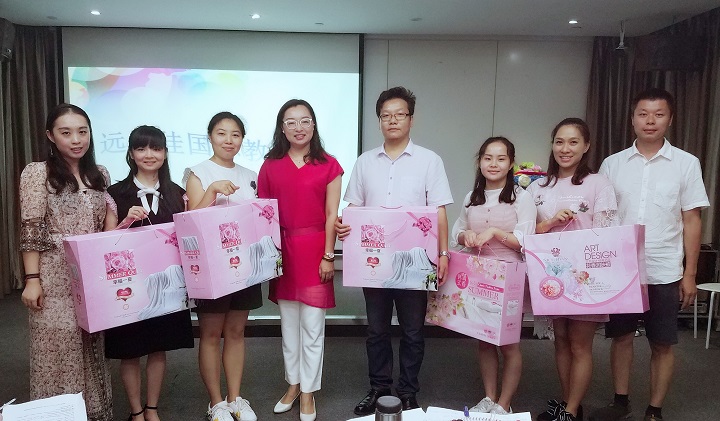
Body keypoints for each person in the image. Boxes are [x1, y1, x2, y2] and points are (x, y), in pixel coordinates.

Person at [590, 88, 709, 421]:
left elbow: (692, 220)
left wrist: (690, 274)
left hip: (664, 268)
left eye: (658, 114)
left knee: (662, 342)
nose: (650, 121)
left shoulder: (686, 163)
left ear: (670, 119)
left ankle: (654, 409)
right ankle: (620, 401)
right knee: (621, 338)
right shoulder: (612, 164)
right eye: (643, 114)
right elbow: (602, 218)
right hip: (622, 269)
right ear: (632, 119)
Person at [336, 86, 453, 415]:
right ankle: (379, 389)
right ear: (379, 121)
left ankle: (409, 392)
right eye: (386, 115)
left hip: (415, 262)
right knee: (376, 330)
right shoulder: (364, 162)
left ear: (411, 119)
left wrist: (443, 254)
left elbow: (439, 212)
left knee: (413, 331)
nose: (392, 120)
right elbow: (353, 208)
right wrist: (344, 224)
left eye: (399, 114)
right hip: (374, 261)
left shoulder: (430, 161)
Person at [19, 103, 114, 421]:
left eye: (82, 131)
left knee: (91, 342)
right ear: (51, 136)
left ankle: (94, 413)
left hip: (92, 270)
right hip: (54, 273)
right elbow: (31, 228)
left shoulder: (99, 173)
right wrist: (32, 279)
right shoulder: (37, 173)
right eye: (66, 132)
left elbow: (106, 225)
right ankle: (58, 413)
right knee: (58, 347)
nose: (76, 139)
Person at [527, 118, 619, 421]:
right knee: (562, 342)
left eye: (573, 142)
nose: (565, 149)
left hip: (585, 277)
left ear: (586, 146)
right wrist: (550, 222)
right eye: (559, 142)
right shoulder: (538, 187)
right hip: (551, 277)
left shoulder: (598, 183)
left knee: (580, 345)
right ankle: (571, 406)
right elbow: (526, 232)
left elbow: (608, 233)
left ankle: (569, 410)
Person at [257, 99, 343, 421]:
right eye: (291, 122)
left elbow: (332, 214)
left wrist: (328, 256)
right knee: (288, 327)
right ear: (282, 128)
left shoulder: (329, 164)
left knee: (312, 328)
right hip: (283, 252)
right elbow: (263, 213)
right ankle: (292, 385)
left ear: (314, 124)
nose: (298, 127)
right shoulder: (270, 165)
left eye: (304, 120)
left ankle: (309, 392)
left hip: (316, 251)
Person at [105, 125, 195, 421]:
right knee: (129, 350)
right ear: (131, 154)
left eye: (156, 148)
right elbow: (105, 243)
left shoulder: (178, 194)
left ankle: (152, 408)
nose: (149, 154)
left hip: (167, 286)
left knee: (159, 347)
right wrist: (125, 223)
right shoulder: (115, 194)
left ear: (165, 153)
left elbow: (189, 235)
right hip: (128, 287)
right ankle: (136, 411)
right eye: (141, 148)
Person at [451, 136, 536, 415]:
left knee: (509, 344)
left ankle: (504, 404)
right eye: (488, 158)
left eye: (501, 158)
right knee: (485, 341)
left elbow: (526, 240)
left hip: (510, 278)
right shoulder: (471, 197)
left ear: (511, 163)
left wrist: (496, 233)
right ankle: (489, 397)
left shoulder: (522, 197)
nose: (494, 164)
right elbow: (456, 232)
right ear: (480, 162)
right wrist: (466, 235)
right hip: (479, 277)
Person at [184, 112, 260, 421]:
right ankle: (216, 403)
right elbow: (189, 224)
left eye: (235, 134)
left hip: (244, 266)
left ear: (242, 139)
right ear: (210, 136)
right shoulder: (198, 173)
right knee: (211, 334)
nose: (229, 140)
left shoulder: (251, 175)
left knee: (237, 331)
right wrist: (212, 191)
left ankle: (235, 398)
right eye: (221, 133)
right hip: (211, 268)